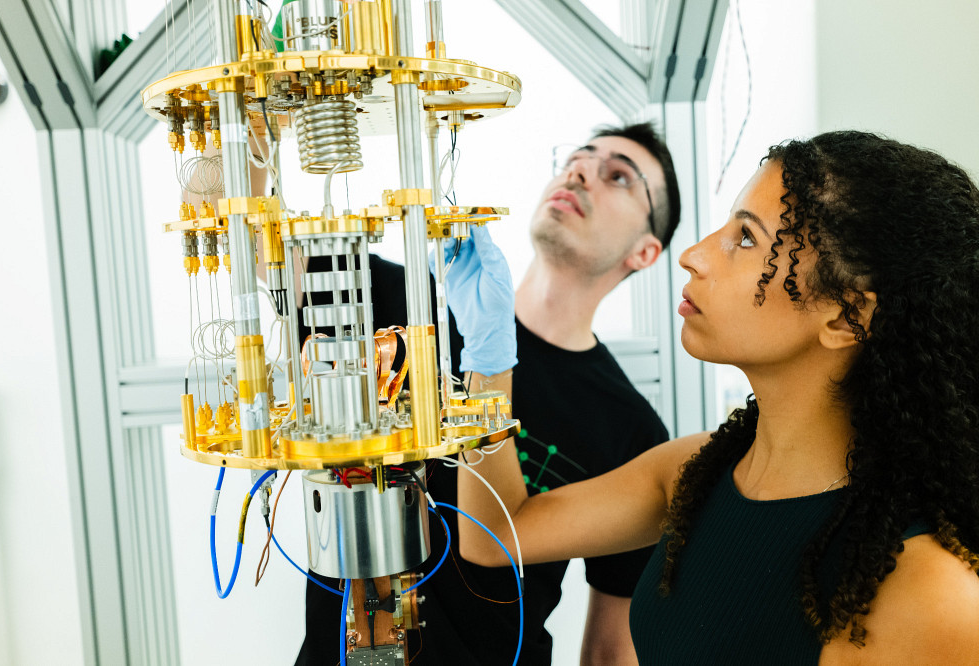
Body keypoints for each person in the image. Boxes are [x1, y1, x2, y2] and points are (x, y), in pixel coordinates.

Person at [452, 130, 979, 664]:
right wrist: (489, 363)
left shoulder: (927, 586)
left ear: (847, 316)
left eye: (746, 238)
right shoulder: (696, 470)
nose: (693, 255)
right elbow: (493, 533)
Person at [295, 122, 682, 665]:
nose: (580, 172)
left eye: (618, 176)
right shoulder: (403, 304)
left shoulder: (632, 430)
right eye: (577, 158)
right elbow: (258, 247)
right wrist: (256, 132)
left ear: (645, 251)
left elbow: (610, 651)